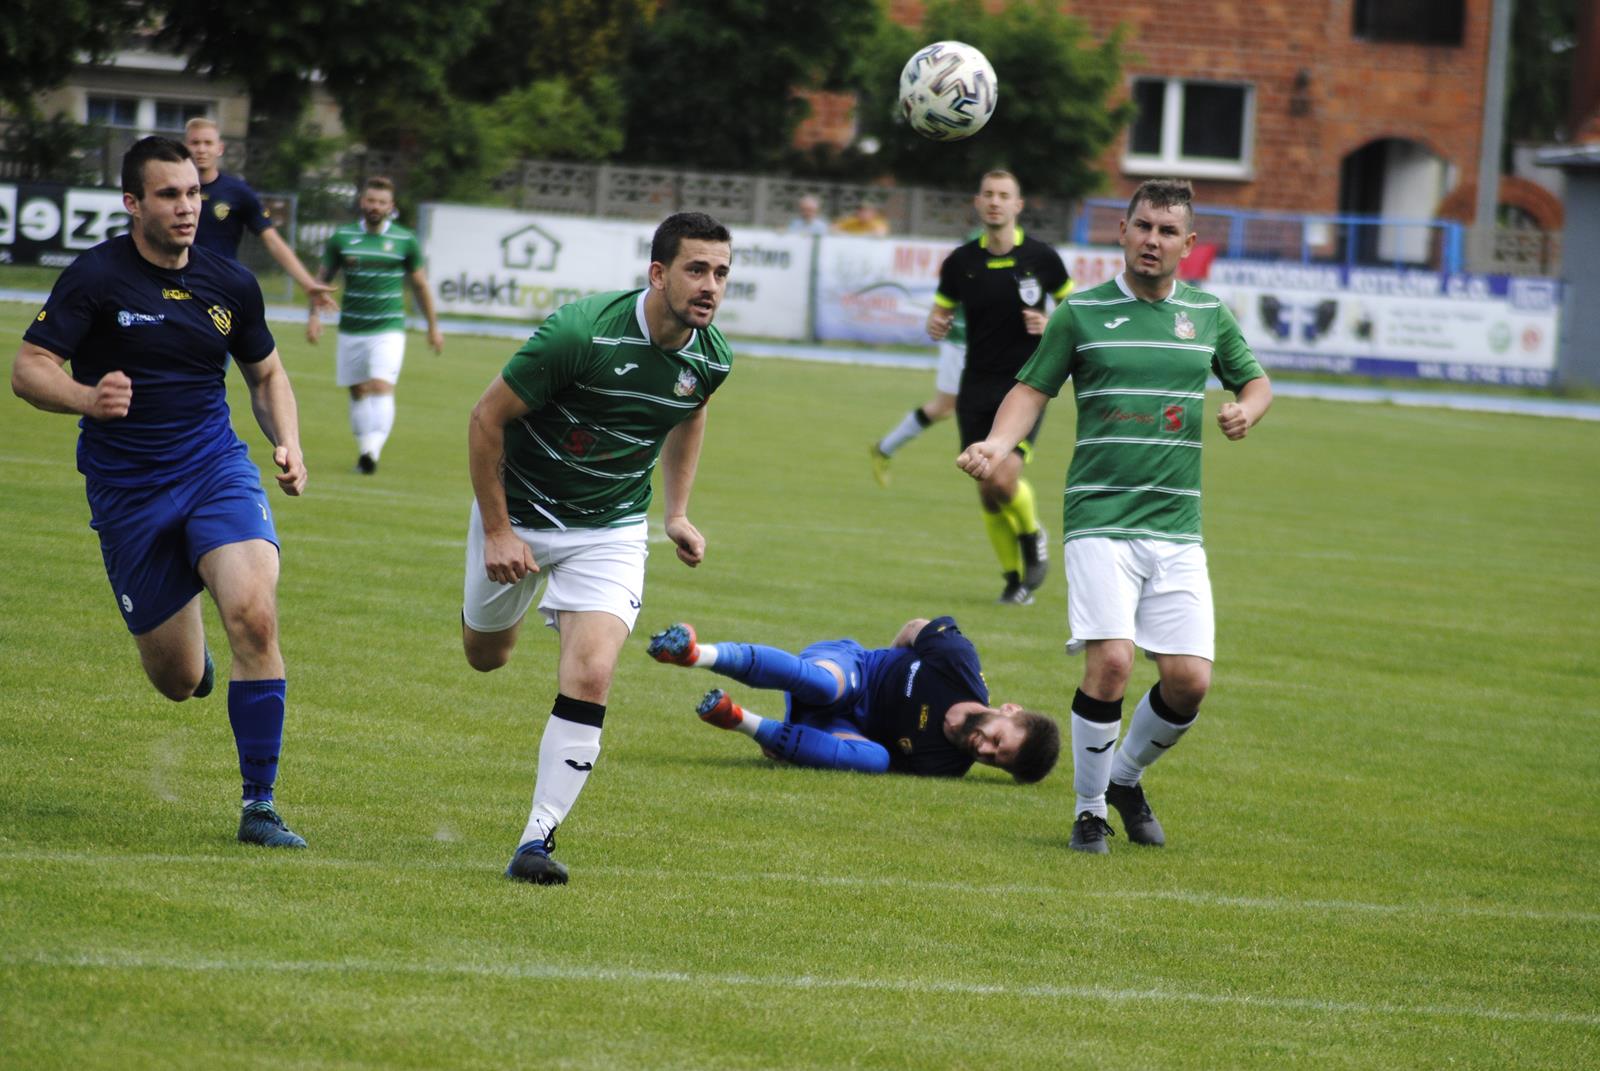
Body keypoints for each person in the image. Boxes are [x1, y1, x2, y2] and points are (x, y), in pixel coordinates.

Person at [957, 178, 1273, 855]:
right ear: (1121, 233)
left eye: (1167, 231)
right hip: (1100, 516)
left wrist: (1247, 407)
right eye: (1143, 226)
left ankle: (1126, 778)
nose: (1152, 240)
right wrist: (995, 443)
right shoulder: (1082, 313)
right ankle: (1090, 809)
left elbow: (1255, 379)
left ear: (1188, 244)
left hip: (1177, 525)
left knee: (1190, 680)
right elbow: (1030, 388)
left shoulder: (1208, 314)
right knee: (1113, 663)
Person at [11, 135, 310, 849]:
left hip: (214, 468)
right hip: (128, 490)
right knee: (177, 679)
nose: (187, 207)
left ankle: (259, 805)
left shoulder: (229, 281)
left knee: (253, 615)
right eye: (170, 195)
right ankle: (195, 663)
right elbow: (29, 367)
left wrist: (288, 440)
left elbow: (265, 373)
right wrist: (87, 396)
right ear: (133, 203)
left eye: (194, 193)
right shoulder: (95, 279)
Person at [462, 212, 735, 886]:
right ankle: (524, 601)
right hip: (520, 518)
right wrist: (498, 530)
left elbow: (690, 409)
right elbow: (485, 419)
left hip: (610, 530)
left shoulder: (711, 355)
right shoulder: (580, 333)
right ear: (658, 273)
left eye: (722, 273)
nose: (711, 286)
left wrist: (675, 512)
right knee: (486, 655)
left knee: (591, 674)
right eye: (696, 269)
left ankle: (536, 839)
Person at [646, 618, 1059, 782]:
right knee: (828, 687)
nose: (982, 748)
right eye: (997, 740)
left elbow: (858, 754)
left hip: (836, 726)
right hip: (848, 668)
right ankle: (697, 654)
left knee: (876, 762)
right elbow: (916, 626)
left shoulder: (943, 766)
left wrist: (808, 750)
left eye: (992, 759)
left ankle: (737, 719)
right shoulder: (958, 661)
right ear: (1010, 710)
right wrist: (883, 658)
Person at [930, 170, 1072, 605]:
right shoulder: (960, 263)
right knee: (986, 490)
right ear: (978, 202)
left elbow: (1078, 311)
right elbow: (940, 313)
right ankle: (1014, 581)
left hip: (1026, 384)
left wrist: (1050, 324)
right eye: (988, 195)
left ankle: (1032, 537)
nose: (995, 202)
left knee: (1003, 475)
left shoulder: (1041, 258)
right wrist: (937, 323)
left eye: (1004, 195)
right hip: (975, 386)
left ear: (1018, 205)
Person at [306, 177, 443, 474]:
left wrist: (433, 326)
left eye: (382, 202)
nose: (375, 207)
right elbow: (321, 281)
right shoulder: (342, 238)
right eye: (371, 201)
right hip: (352, 328)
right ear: (362, 202)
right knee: (358, 391)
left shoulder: (405, 240)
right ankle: (365, 448)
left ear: (390, 206)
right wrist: (314, 317)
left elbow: (420, 285)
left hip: (388, 327)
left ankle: (371, 452)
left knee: (381, 385)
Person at [182, 117, 335, 313]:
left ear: (219, 148)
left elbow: (272, 241)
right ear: (185, 147)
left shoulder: (237, 192)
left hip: (220, 288)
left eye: (208, 143)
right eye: (195, 143)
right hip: (176, 284)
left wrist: (307, 283)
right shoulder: (173, 191)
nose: (201, 149)